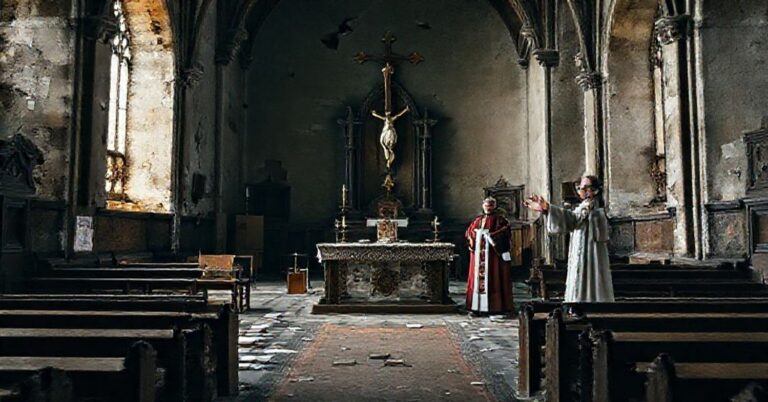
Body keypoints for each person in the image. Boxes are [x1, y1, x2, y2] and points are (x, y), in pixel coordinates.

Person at [524, 175, 614, 314]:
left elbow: (571, 219)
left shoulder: (589, 206)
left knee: (589, 277)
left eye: (585, 188)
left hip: (589, 251)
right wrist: (546, 209)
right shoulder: (590, 207)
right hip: (585, 249)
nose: (581, 191)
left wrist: (547, 208)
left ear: (595, 190)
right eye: (579, 188)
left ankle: (585, 308)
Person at [465, 197, 514, 316]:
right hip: (479, 258)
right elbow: (469, 232)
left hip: (492, 257)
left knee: (494, 278)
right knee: (477, 281)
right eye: (486, 205)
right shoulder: (477, 220)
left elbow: (505, 233)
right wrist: (473, 237)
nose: (488, 207)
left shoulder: (500, 221)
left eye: (491, 205)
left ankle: (495, 307)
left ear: (494, 206)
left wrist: (492, 237)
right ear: (483, 206)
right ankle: (476, 306)